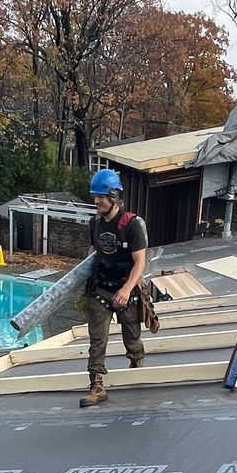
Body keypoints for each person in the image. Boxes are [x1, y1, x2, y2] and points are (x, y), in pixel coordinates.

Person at [77, 166, 148, 407]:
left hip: (125, 288)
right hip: (102, 289)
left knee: (132, 338)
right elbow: (93, 252)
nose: (97, 201)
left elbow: (140, 261)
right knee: (97, 340)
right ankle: (97, 385)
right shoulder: (94, 224)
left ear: (114, 196)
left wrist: (128, 290)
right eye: (95, 196)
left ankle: (137, 363)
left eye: (101, 196)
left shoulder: (132, 224)